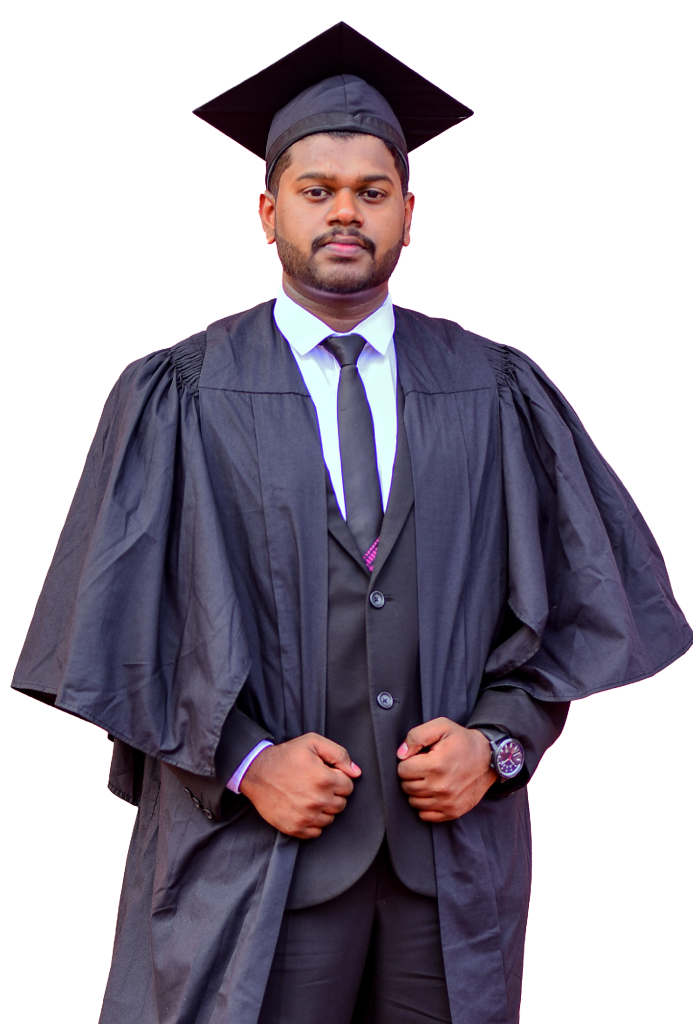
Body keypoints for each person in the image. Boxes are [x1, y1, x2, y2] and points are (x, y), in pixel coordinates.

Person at [11, 21, 691, 1024]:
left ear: (409, 215)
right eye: (316, 189)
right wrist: (247, 760)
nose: (344, 212)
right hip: (252, 857)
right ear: (267, 212)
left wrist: (498, 745)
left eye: (372, 192)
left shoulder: (496, 388)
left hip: (446, 874)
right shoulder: (177, 394)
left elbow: (579, 604)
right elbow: (116, 630)